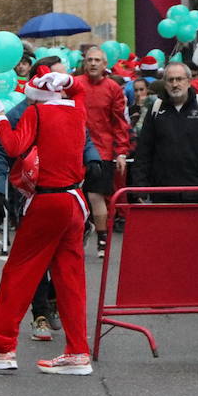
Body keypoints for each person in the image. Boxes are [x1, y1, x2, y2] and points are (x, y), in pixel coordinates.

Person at [0, 70, 93, 375]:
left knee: (18, 272)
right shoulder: (76, 110)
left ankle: (2, 348)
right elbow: (79, 90)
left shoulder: (35, 113)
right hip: (75, 201)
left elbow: (12, 147)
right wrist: (67, 80)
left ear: (36, 96)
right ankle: (78, 351)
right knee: (70, 277)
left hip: (48, 201)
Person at [132, 61, 198, 198]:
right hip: (163, 192)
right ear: (165, 83)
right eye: (171, 80)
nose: (175, 84)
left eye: (179, 79)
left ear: (189, 81)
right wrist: (139, 187)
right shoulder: (155, 109)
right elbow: (144, 151)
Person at [76, 46, 131, 257]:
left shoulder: (113, 89)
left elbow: (120, 123)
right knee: (78, 195)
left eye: (97, 60)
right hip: (76, 149)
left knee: (96, 195)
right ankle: (82, 230)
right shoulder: (76, 84)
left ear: (105, 64)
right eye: (89, 60)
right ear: (84, 63)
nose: (92, 63)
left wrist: (122, 152)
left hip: (103, 151)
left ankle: (102, 237)